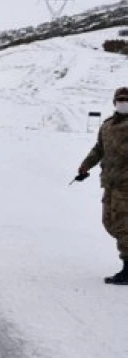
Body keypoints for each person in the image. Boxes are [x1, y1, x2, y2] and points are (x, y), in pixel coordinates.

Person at [77, 86, 128, 285]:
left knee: (124, 227)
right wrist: (85, 165)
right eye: (120, 99)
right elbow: (99, 149)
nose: (124, 102)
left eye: (127, 99)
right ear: (114, 102)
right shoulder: (106, 126)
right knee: (110, 223)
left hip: (126, 185)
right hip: (110, 183)